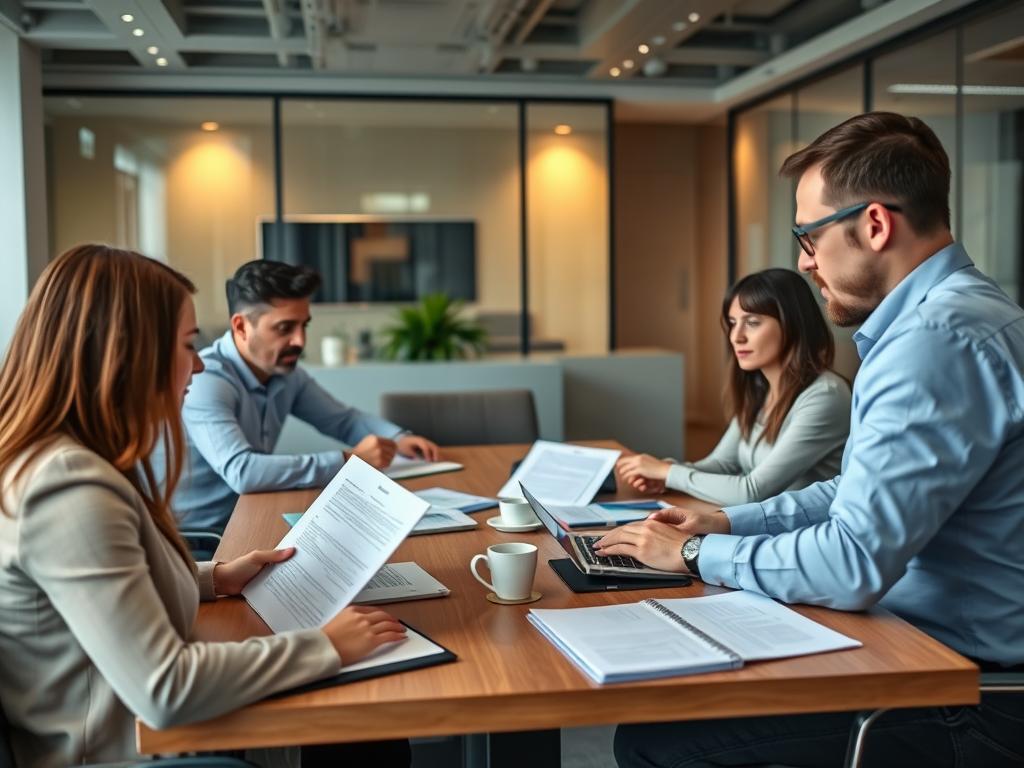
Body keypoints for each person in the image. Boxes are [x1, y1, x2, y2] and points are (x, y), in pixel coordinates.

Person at [599, 112, 1024, 767]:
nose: (803, 260)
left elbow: (853, 563)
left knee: (658, 740)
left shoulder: (934, 344)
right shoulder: (960, 317)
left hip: (964, 692)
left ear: (875, 224)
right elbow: (855, 492)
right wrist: (727, 521)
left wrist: (693, 555)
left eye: (809, 235)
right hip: (922, 654)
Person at [0, 245, 411, 767]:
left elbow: (92, 593)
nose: (197, 364)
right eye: (188, 345)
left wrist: (212, 578)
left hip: (146, 730)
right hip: (129, 752)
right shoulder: (66, 488)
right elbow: (164, 688)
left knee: (361, 719)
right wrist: (325, 645)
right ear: (128, 353)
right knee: (359, 711)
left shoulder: (69, 460)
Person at [168, 259, 439, 531]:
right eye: (285, 328)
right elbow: (243, 471)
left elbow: (342, 420)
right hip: (202, 538)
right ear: (241, 327)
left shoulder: (286, 374)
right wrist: (348, 460)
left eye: (303, 326)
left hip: (253, 516)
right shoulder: (206, 380)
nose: (300, 341)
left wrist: (398, 438)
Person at [615, 268, 850, 506]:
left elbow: (753, 491)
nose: (736, 337)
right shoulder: (760, 389)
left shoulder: (825, 397)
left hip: (798, 536)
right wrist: (668, 474)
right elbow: (723, 464)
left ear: (793, 325)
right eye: (732, 323)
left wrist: (667, 473)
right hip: (762, 526)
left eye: (753, 323)